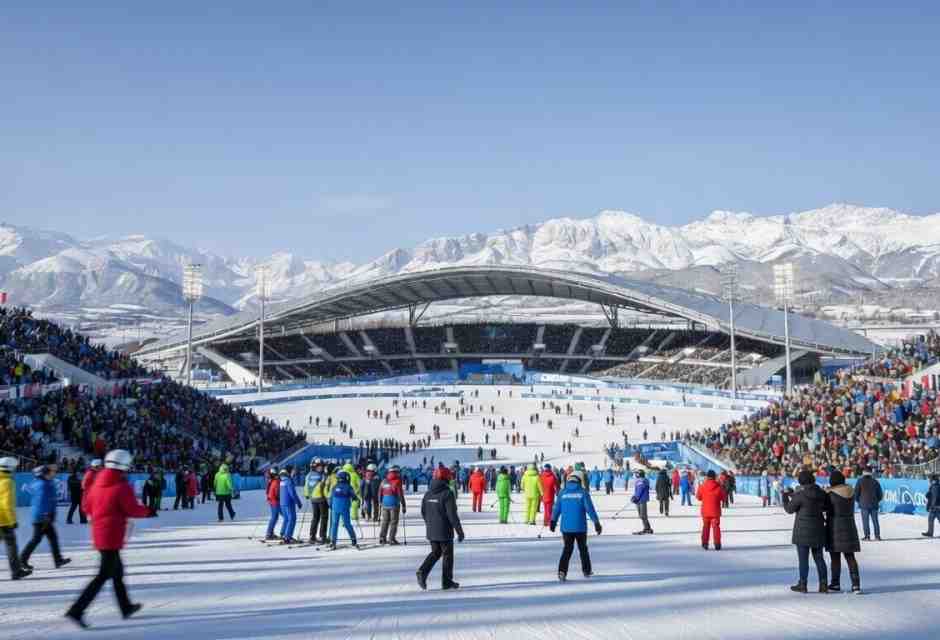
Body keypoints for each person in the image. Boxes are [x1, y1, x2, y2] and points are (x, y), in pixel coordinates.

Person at [66, 449, 155, 629]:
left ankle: (126, 607)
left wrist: (101, 517)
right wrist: (148, 511)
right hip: (112, 535)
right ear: (124, 465)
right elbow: (132, 509)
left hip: (100, 533)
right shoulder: (121, 486)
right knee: (103, 575)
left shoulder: (96, 483)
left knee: (117, 573)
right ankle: (77, 610)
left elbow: (86, 507)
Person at [417, 467, 464, 591]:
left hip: (431, 530)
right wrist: (459, 531)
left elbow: (423, 511)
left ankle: (422, 571)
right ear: (446, 478)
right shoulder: (447, 493)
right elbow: (452, 515)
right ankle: (446, 582)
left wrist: (430, 523)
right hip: (444, 531)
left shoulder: (428, 493)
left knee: (436, 552)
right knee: (447, 555)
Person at [782, 470, 829, 593]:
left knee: (803, 560)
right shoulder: (822, 493)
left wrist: (785, 497)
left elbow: (789, 509)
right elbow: (826, 506)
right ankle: (823, 584)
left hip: (802, 532)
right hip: (818, 530)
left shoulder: (800, 495)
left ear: (801, 481)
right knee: (819, 559)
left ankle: (803, 584)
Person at [551, 472, 601, 581]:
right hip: (580, 527)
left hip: (566, 528)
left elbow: (556, 508)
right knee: (583, 549)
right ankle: (587, 570)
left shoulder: (562, 493)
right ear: (579, 482)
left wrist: (553, 521)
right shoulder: (583, 493)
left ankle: (562, 571)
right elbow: (590, 509)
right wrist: (596, 522)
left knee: (567, 549)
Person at [20, 465, 70, 571]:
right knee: (36, 539)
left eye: (51, 472)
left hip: (43, 516)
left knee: (52, 538)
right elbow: (42, 501)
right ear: (44, 474)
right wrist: (47, 514)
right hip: (41, 518)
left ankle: (58, 560)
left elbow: (48, 500)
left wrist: (50, 513)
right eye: (49, 472)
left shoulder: (44, 483)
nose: (52, 473)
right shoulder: (43, 484)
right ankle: (22, 560)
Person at [825, 470, 862, 593]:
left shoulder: (831, 494)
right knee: (850, 557)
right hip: (849, 526)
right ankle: (856, 584)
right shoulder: (850, 492)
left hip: (834, 527)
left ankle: (835, 583)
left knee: (835, 557)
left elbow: (825, 507)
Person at [0, 456, 31, 580]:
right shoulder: (8, 482)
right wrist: (12, 521)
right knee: (11, 545)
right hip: (4, 521)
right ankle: (16, 571)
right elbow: (7, 504)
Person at [696, 470, 726, 550]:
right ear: (714, 477)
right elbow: (723, 498)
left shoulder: (702, 486)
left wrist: (700, 489)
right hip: (715, 511)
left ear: (707, 477)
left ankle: (705, 543)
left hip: (705, 511)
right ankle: (717, 544)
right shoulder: (718, 486)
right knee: (716, 527)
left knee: (706, 527)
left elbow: (698, 497)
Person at [329, 470, 358, 550]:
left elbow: (330, 497)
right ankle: (353, 539)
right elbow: (354, 496)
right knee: (347, 524)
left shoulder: (334, 486)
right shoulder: (348, 487)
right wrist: (356, 499)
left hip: (335, 508)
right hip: (344, 507)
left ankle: (333, 541)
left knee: (334, 524)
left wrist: (331, 505)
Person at [378, 465, 407, 544]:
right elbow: (400, 494)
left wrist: (380, 502)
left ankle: (382, 538)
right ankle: (391, 538)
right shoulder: (397, 481)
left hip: (385, 503)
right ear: (396, 472)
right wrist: (404, 505)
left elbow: (380, 492)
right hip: (394, 503)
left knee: (385, 521)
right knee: (393, 522)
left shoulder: (384, 480)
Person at [304, 461, 330, 544]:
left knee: (315, 517)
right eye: (320, 466)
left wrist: (307, 494)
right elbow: (325, 487)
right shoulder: (323, 475)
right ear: (316, 467)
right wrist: (328, 498)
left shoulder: (309, 475)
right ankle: (322, 536)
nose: (322, 468)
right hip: (321, 499)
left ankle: (312, 535)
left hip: (313, 499)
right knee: (324, 517)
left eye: (322, 466)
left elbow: (306, 485)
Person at [854, 468, 883, 541]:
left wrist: (859, 501)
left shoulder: (860, 481)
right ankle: (877, 536)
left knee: (865, 521)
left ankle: (867, 536)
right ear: (871, 473)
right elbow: (880, 494)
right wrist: (877, 501)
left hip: (864, 504)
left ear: (863, 473)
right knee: (875, 521)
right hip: (874, 504)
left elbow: (856, 493)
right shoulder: (875, 481)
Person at [279, 466, 303, 544]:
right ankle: (287, 537)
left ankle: (284, 533)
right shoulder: (288, 481)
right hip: (289, 503)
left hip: (283, 503)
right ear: (289, 472)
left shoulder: (282, 481)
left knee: (286, 519)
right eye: (293, 471)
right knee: (292, 519)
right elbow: (292, 493)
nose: (294, 473)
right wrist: (298, 502)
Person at [630, 470, 652, 535]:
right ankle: (647, 528)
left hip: (642, 499)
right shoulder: (640, 480)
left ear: (639, 474)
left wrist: (635, 497)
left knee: (643, 515)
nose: (636, 475)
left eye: (637, 474)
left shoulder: (641, 481)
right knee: (641, 515)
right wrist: (634, 496)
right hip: (639, 499)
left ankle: (647, 528)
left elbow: (640, 490)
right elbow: (637, 491)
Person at [264, 468, 281, 540]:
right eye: (276, 475)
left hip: (272, 501)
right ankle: (269, 533)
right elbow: (277, 492)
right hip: (274, 501)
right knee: (274, 517)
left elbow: (268, 492)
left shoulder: (271, 481)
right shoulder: (275, 482)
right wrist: (279, 498)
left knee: (275, 517)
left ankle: (270, 532)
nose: (278, 476)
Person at [923, 474, 940, 538]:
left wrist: (933, 505)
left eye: (930, 480)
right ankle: (930, 532)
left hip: (936, 507)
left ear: (934, 480)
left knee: (932, 519)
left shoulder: (935, 486)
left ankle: (930, 532)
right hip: (935, 506)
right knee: (930, 519)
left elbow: (935, 497)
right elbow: (931, 496)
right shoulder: (934, 486)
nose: (929, 481)